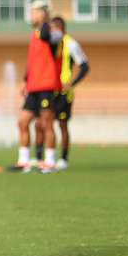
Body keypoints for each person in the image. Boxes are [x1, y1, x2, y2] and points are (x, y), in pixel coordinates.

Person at [13, 0, 61, 173]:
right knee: (22, 122)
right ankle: (23, 161)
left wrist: (46, 21)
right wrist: (25, 81)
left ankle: (50, 162)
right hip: (33, 87)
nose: (31, 15)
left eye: (34, 12)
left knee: (47, 124)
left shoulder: (52, 32)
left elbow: (50, 37)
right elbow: (32, 62)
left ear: (43, 13)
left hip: (47, 85)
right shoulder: (34, 35)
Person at [49, 16, 89, 170]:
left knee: (62, 125)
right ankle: (44, 157)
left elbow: (85, 67)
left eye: (53, 29)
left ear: (60, 28)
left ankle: (63, 159)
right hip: (49, 89)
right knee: (43, 123)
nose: (50, 32)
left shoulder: (71, 44)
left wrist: (71, 84)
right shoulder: (49, 44)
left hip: (64, 92)